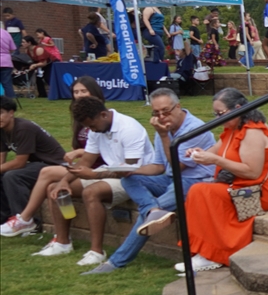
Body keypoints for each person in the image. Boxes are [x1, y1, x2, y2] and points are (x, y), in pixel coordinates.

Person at [81, 89, 216, 275]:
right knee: (129, 179)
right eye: (156, 113)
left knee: (146, 219)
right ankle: (152, 209)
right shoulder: (164, 128)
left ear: (178, 107)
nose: (161, 117)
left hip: (195, 181)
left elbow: (177, 166)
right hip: (170, 179)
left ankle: (116, 262)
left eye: (166, 111)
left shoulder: (194, 128)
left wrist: (164, 136)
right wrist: (129, 171)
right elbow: (159, 167)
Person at [32, 96, 153, 265]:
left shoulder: (129, 128)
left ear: (103, 114)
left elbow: (129, 170)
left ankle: (97, 251)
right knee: (54, 187)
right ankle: (62, 242)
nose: (91, 130)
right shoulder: (97, 129)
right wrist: (64, 181)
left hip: (137, 177)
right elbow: (86, 161)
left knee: (91, 192)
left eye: (92, 126)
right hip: (111, 170)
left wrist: (95, 175)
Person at [176, 88, 268, 272]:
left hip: (259, 191)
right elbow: (215, 151)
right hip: (237, 185)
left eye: (221, 113)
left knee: (201, 191)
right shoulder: (232, 129)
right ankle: (205, 251)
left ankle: (213, 254)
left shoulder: (253, 132)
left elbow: (252, 173)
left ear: (237, 108)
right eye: (215, 114)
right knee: (199, 191)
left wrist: (215, 160)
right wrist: (198, 153)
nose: (218, 118)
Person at [1, 78, 105, 237]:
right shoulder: (79, 120)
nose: (79, 95)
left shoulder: (102, 118)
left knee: (15, 175)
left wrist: (78, 154)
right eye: (76, 92)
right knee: (52, 187)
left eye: (83, 91)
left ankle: (26, 220)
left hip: (73, 166)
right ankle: (11, 220)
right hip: (81, 166)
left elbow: (103, 150)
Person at [0, 95, 67, 231]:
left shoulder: (23, 128)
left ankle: (26, 221)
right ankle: (5, 218)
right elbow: (1, 159)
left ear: (11, 113)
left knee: (12, 176)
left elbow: (19, 163)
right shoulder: (2, 130)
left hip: (53, 165)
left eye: (0, 113)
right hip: (36, 165)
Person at [0, 22, 14, 98]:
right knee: (7, 84)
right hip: (6, 61)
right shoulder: (6, 33)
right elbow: (12, 48)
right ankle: (10, 102)